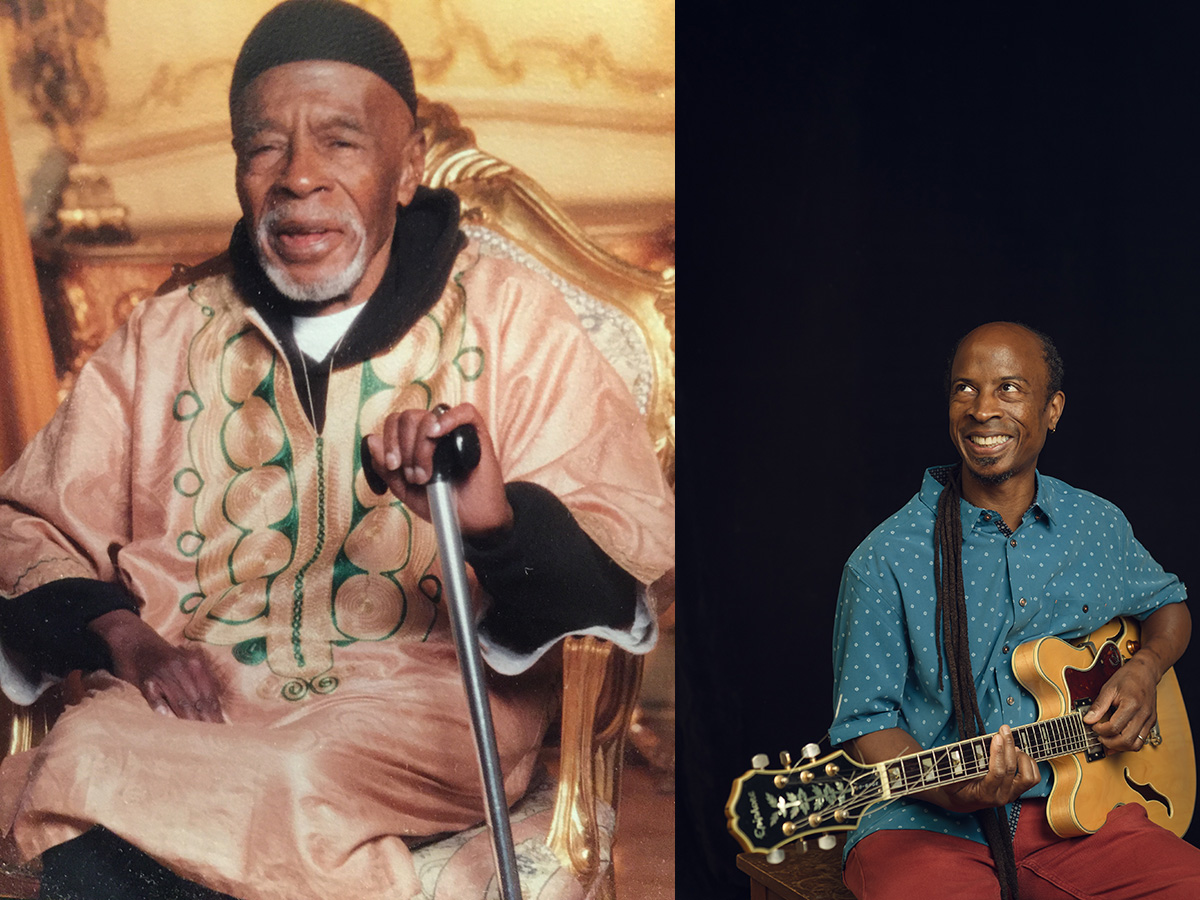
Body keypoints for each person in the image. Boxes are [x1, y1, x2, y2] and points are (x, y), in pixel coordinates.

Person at [0, 2, 675, 898]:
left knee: (290, 782)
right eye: (264, 147)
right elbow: (27, 522)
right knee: (83, 755)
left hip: (417, 705)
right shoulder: (160, 335)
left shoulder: (515, 318)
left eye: (342, 142)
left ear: (409, 166)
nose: (298, 179)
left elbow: (623, 546)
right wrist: (124, 635)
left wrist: (494, 520)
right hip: (188, 702)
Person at [829, 321, 1200, 899]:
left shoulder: (1097, 525)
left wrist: (1145, 668)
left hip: (1091, 819)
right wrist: (958, 791)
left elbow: (1169, 605)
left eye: (1008, 389)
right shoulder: (885, 558)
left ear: (1052, 409)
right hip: (929, 829)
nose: (981, 410)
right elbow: (865, 725)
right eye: (964, 388)